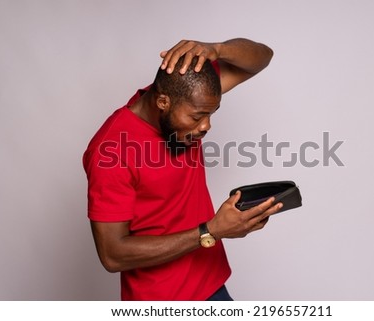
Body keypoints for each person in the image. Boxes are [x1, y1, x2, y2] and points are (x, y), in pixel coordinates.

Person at [82, 38, 280, 301]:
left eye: (212, 114)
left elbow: (262, 57)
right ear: (163, 102)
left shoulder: (188, 95)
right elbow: (112, 254)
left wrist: (217, 49)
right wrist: (211, 231)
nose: (206, 126)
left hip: (212, 284)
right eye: (198, 117)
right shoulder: (111, 152)